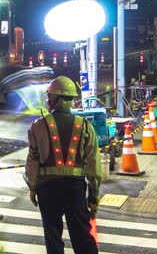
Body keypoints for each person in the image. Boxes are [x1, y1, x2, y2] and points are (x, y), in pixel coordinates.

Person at [25, 76, 102, 254]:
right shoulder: (84, 126)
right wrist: (94, 195)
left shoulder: (37, 126)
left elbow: (33, 160)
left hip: (48, 189)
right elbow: (93, 165)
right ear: (71, 100)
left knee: (53, 238)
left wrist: (33, 187)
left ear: (54, 98)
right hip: (74, 189)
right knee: (82, 237)